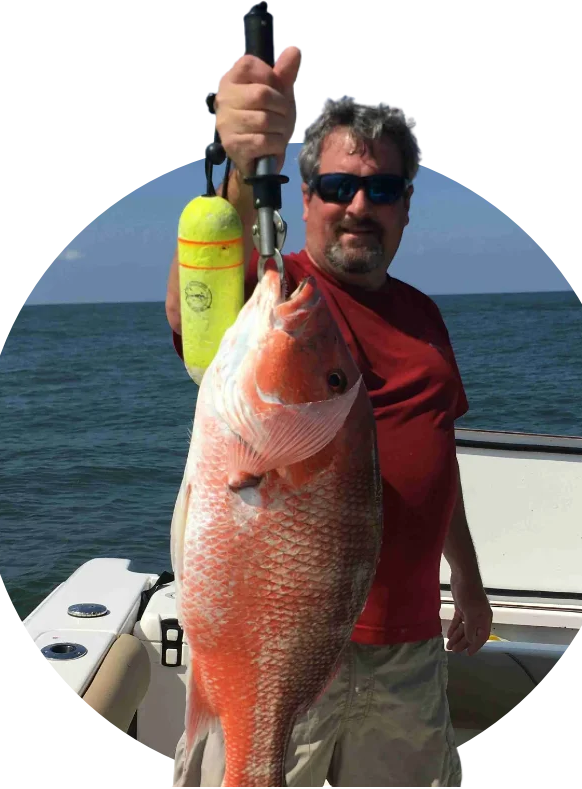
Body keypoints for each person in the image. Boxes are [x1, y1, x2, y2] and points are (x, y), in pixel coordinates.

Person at [165, 45, 492, 789]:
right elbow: (196, 307)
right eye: (339, 185)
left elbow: (437, 457)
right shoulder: (278, 292)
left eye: (382, 188)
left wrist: (467, 580)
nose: (359, 206)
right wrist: (245, 163)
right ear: (306, 197)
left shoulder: (425, 317)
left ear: (407, 205)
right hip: (285, 642)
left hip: (410, 650)